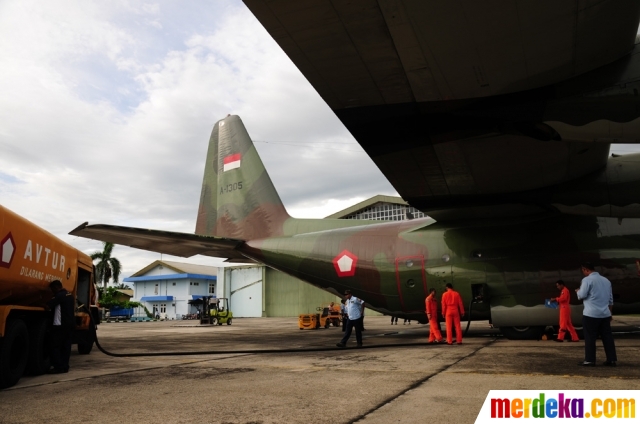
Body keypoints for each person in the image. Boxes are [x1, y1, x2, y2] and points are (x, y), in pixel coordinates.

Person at [576, 262, 617, 366]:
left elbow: (582, 295)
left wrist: (578, 291)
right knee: (607, 337)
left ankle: (590, 360)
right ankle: (611, 359)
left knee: (590, 337)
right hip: (605, 314)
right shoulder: (606, 280)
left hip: (591, 314)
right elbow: (611, 300)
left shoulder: (587, 280)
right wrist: (610, 312)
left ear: (585, 269)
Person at [46, 280, 75, 374]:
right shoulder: (70, 295)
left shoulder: (59, 296)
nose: (52, 291)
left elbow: (48, 306)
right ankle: (65, 366)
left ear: (56, 287)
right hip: (69, 325)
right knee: (66, 347)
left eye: (52, 289)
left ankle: (58, 367)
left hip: (60, 325)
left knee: (55, 346)